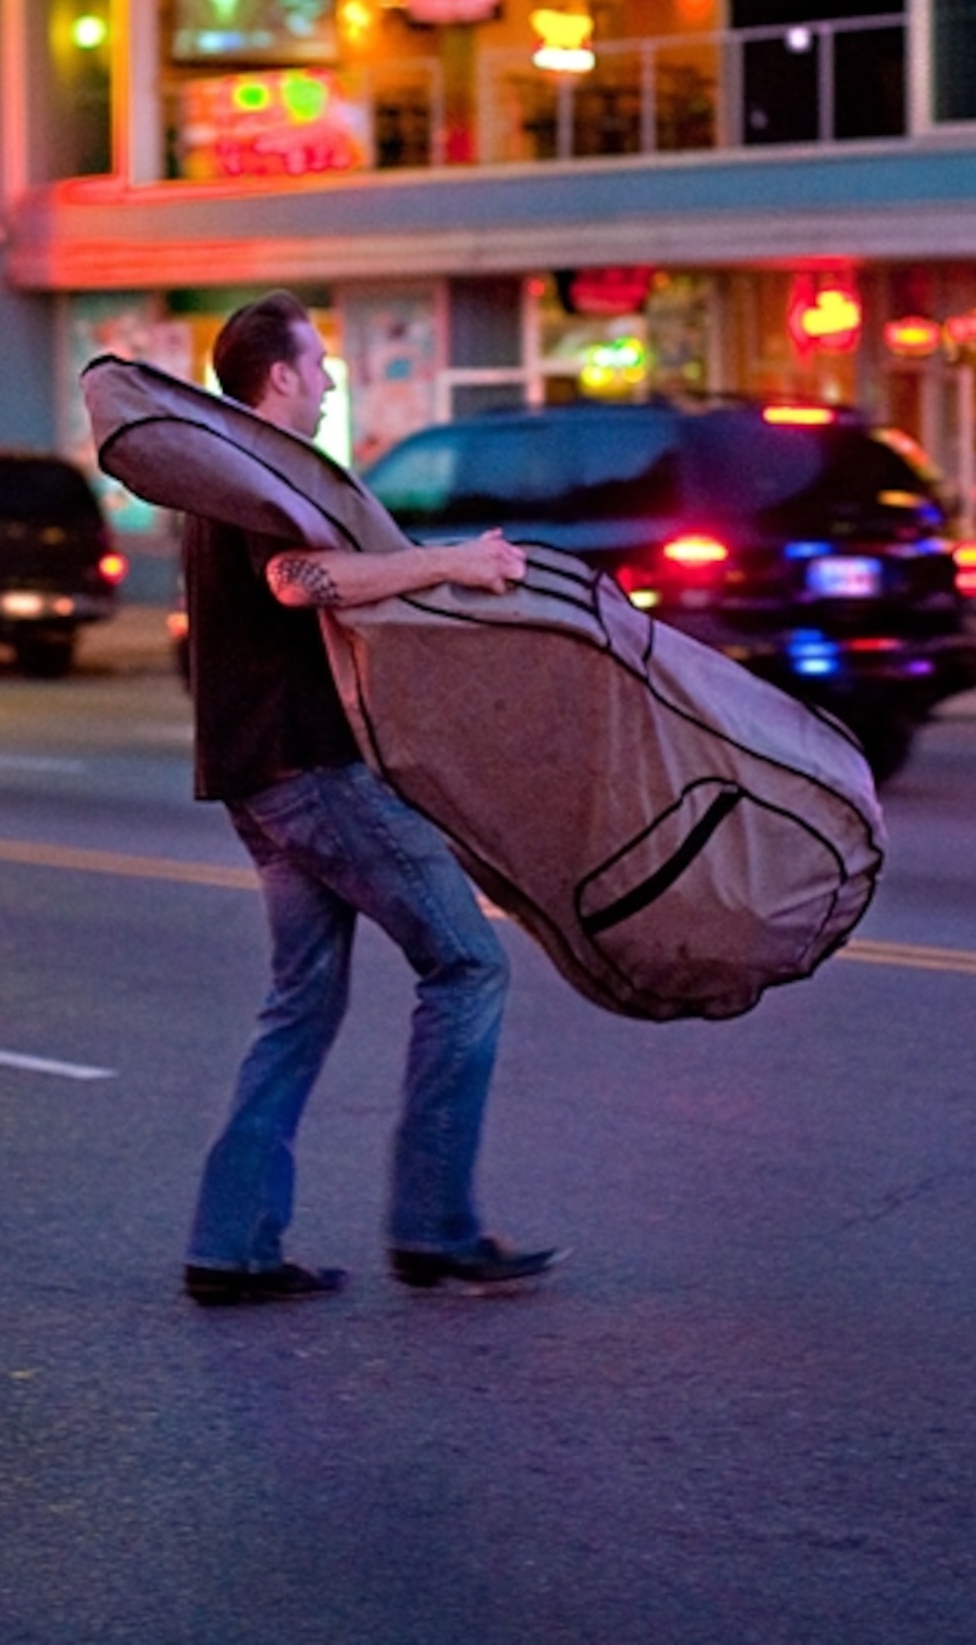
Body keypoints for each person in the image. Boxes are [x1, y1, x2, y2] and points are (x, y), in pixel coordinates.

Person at [179, 292, 556, 1305]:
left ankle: (231, 1246)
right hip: (309, 773)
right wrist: (457, 561)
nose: (334, 381)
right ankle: (434, 1228)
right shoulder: (250, 474)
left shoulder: (227, 469)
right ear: (281, 375)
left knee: (302, 1002)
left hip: (258, 779)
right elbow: (301, 582)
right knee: (468, 962)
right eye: (319, 363)